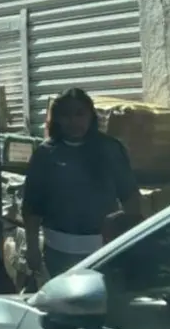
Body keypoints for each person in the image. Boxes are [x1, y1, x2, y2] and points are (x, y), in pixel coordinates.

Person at [21, 88, 141, 281]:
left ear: (90, 116)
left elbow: (131, 197)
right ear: (57, 119)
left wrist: (132, 242)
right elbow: (32, 207)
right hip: (57, 251)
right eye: (66, 115)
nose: (74, 121)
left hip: (103, 250)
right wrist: (32, 247)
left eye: (79, 114)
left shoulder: (110, 149)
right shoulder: (45, 154)